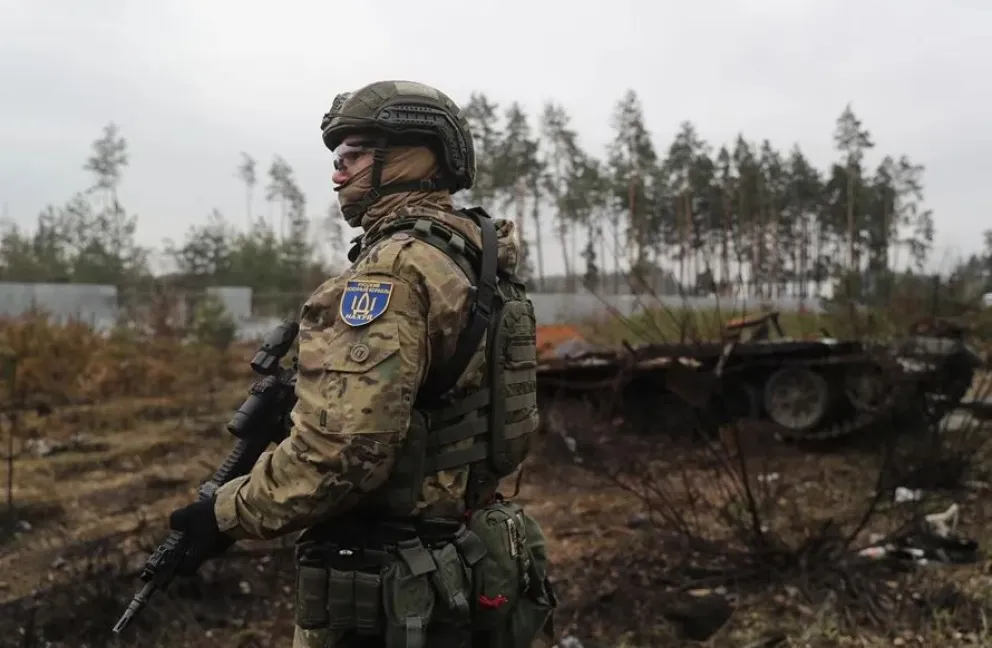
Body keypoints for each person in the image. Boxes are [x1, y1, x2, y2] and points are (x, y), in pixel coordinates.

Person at [168, 80, 556, 648]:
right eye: (336, 158)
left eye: (352, 156)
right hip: (465, 552)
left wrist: (225, 513)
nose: (337, 173)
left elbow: (340, 453)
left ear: (411, 156)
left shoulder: (393, 272)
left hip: (391, 581)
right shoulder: (476, 257)